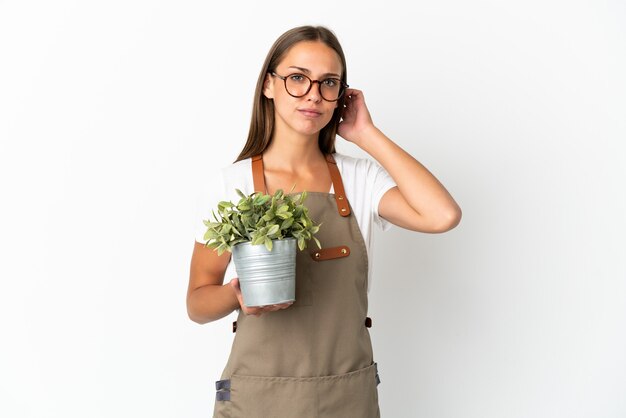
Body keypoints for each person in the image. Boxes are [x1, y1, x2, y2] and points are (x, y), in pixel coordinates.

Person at [187, 25, 462, 418]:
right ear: (269, 85)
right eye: (297, 78)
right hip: (257, 400)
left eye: (328, 83)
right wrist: (238, 295)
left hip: (346, 396)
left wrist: (366, 134)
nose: (313, 94)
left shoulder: (360, 179)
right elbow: (197, 301)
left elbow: (443, 215)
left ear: (341, 97)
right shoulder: (232, 184)